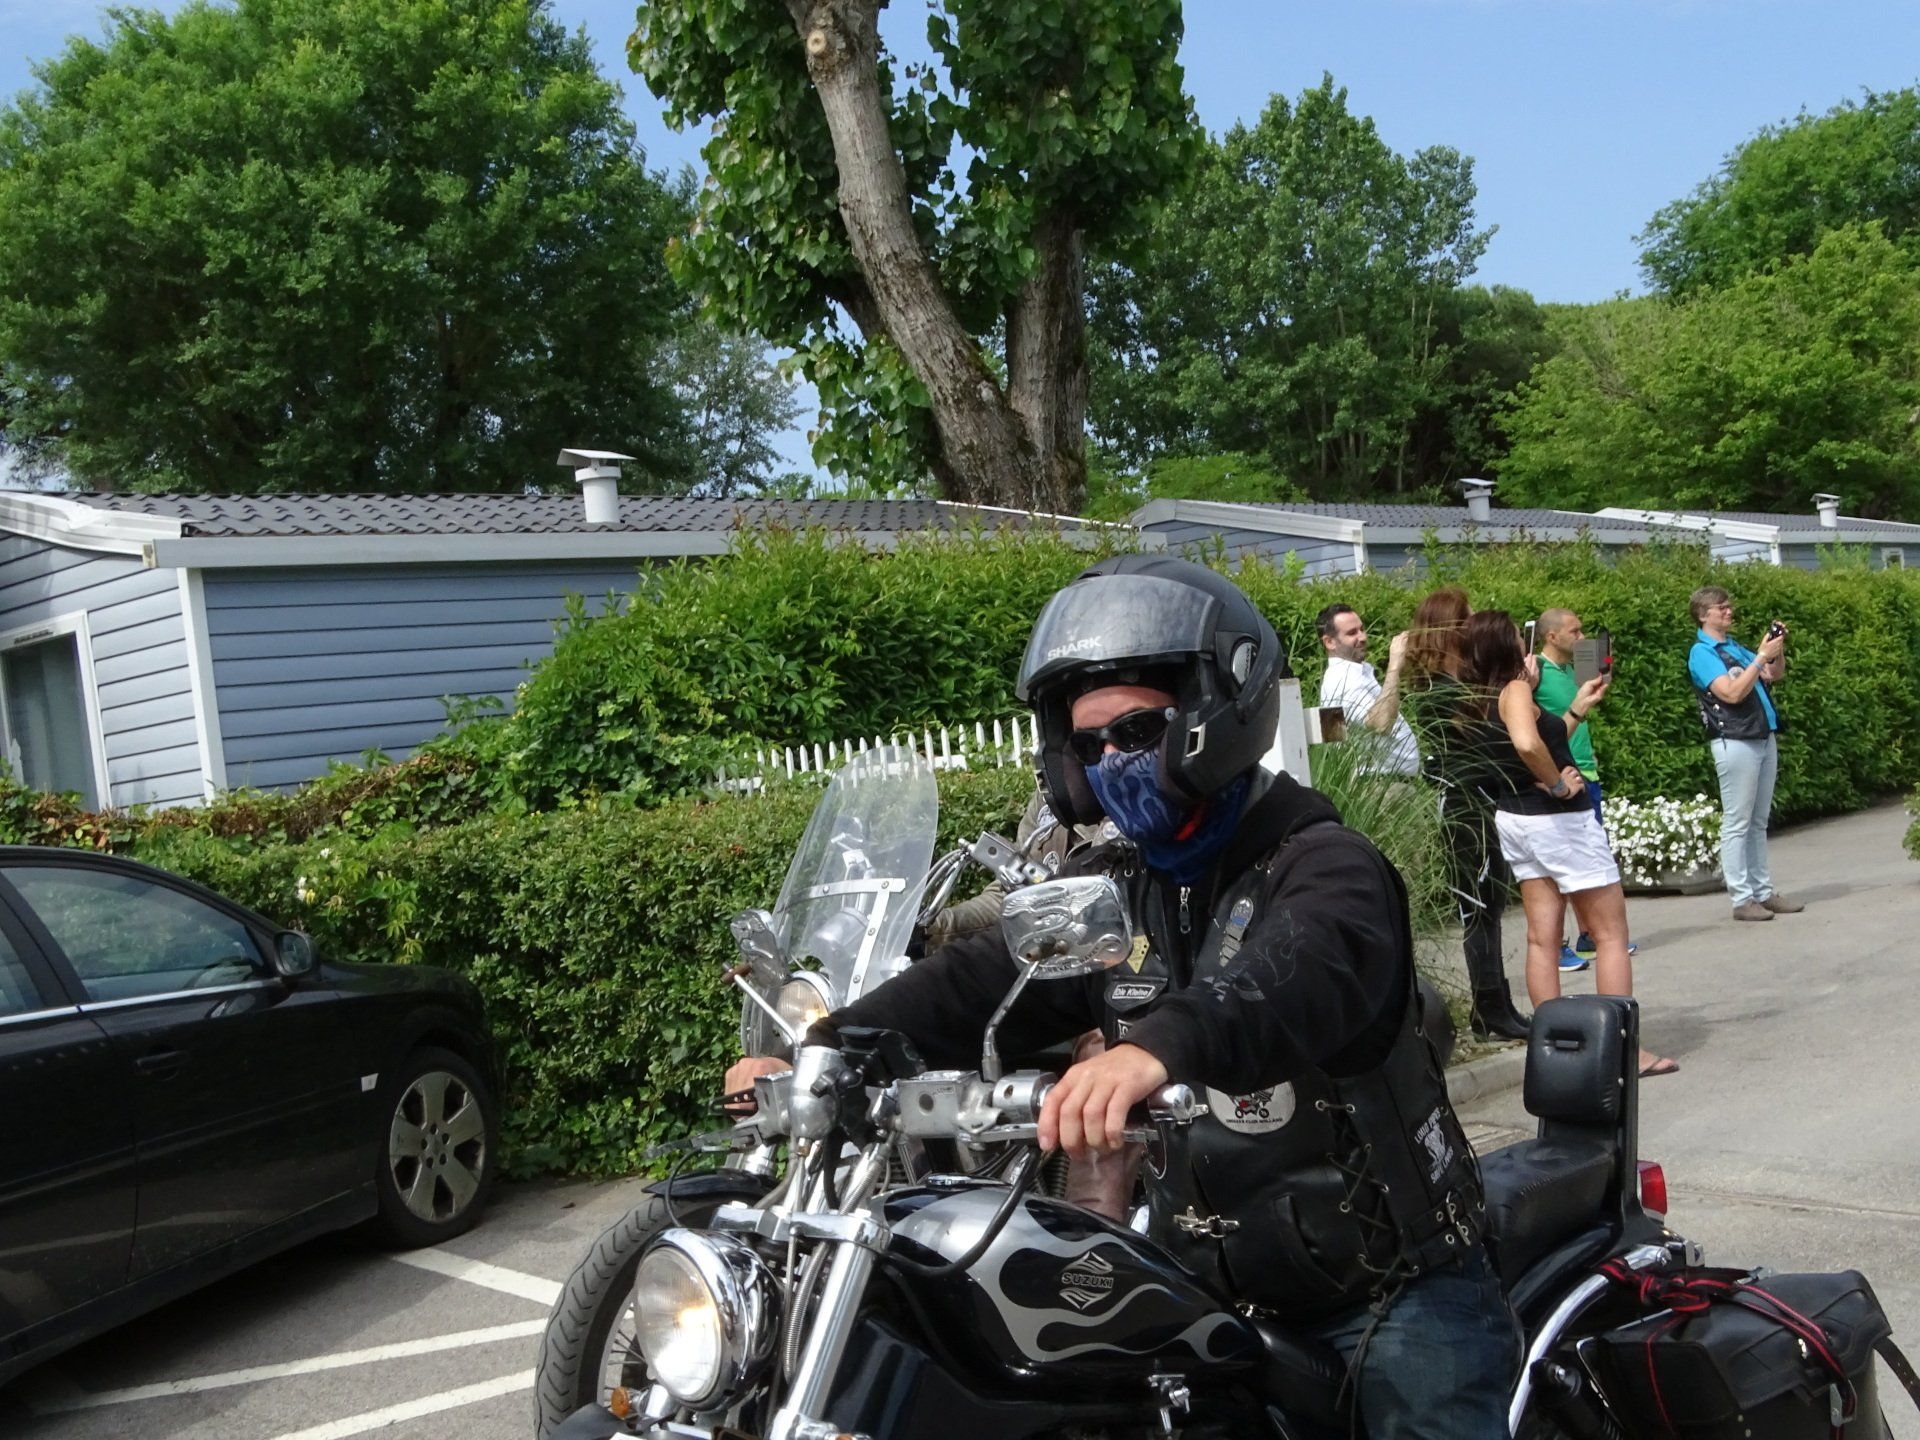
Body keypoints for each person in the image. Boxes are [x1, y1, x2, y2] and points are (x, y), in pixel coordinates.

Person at [733, 557, 1517, 1439]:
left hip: (1388, 1295)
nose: (1110, 760)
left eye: (1137, 731)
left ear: (1214, 715)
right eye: (1089, 745)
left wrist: (1156, 1046)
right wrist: (825, 1046)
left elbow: (1296, 973)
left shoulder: (1325, 864)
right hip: (1202, 1287)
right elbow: (983, 978)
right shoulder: (1119, 888)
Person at [1460, 610, 1676, 1078]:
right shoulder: (1515, 690)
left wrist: (1576, 709)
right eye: (1517, 637)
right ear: (1506, 646)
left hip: (1516, 818)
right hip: (1558, 821)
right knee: (1609, 935)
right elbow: (1527, 744)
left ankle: (1553, 1047)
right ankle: (1623, 1051)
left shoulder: (1476, 697)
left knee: (1542, 938)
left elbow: (1535, 742)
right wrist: (1558, 784)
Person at [1403, 586, 1529, 1042]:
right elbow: (1484, 741)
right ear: (1449, 628)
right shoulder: (1438, 688)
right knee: (1478, 906)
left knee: (1490, 904)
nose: (1474, 626)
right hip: (1463, 804)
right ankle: (1489, 1007)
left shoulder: (1453, 682)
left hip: (1479, 799)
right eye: (1467, 619)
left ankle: (1494, 1005)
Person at [1688, 586, 1801, 922]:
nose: (1729, 611)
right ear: (1703, 614)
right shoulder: (1702, 652)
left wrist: (1775, 650)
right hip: (1734, 740)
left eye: (1729, 606)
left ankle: (1762, 892)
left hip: (1761, 736)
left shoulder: (1733, 647)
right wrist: (1760, 656)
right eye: (1721, 608)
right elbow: (1732, 693)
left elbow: (1772, 674)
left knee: (1758, 821)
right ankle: (1742, 898)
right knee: (1737, 822)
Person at [1533, 608, 1637, 968]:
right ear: (1551, 636)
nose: (1582, 638)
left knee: (1588, 859)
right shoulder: (1536, 672)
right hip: (1560, 773)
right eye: (1575, 632)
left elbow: (1591, 697)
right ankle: (1557, 944)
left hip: (1585, 771)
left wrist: (1602, 673)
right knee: (1560, 863)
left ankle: (1589, 934)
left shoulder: (1570, 669)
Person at [1316, 603, 1421, 777]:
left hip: (1379, 781)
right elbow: (1381, 724)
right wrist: (1394, 665)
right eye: (1352, 633)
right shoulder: (1342, 680)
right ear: (1329, 642)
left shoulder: (1344, 675)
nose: (1363, 637)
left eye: (1362, 629)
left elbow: (1333, 737)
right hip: (1378, 783)